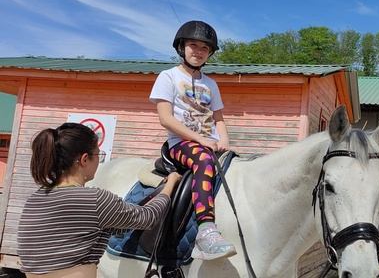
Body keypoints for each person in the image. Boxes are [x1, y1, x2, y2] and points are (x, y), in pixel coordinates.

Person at [17, 122, 181, 278]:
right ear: (84, 159)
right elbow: (148, 218)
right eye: (98, 154)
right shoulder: (95, 200)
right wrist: (170, 185)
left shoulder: (34, 200)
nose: (99, 161)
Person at [149, 20, 236, 260]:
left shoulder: (211, 84)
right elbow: (165, 119)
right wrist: (201, 139)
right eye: (193, 45)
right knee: (205, 161)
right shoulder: (168, 77)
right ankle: (205, 231)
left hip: (208, 143)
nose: (198, 51)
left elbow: (218, 118)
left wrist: (225, 141)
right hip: (180, 144)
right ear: (181, 47)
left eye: (204, 48)